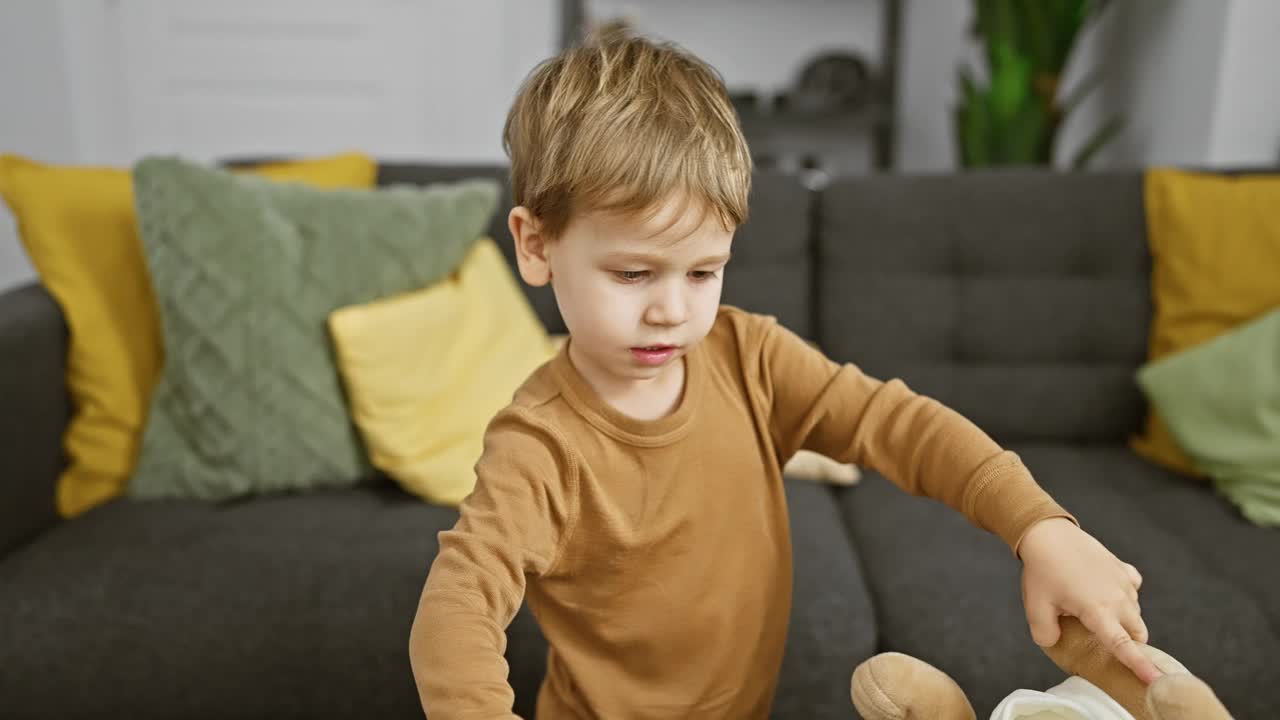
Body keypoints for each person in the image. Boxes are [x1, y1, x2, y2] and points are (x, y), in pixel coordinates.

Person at [408, 31, 1159, 719]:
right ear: (536, 245)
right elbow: (459, 605)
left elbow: (901, 425)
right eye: (633, 273)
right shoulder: (539, 445)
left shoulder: (750, 358)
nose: (672, 310)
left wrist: (1042, 528)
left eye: (704, 271)